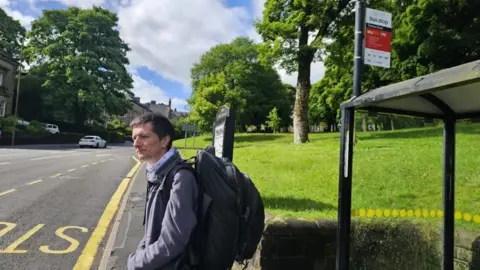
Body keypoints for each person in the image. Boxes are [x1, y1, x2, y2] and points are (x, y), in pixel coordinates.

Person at [127, 112, 198, 270]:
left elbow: (173, 242)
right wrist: (141, 253)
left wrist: (136, 263)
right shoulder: (156, 173)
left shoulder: (180, 178)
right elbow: (150, 231)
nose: (136, 144)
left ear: (164, 140)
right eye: (134, 138)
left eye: (144, 137)